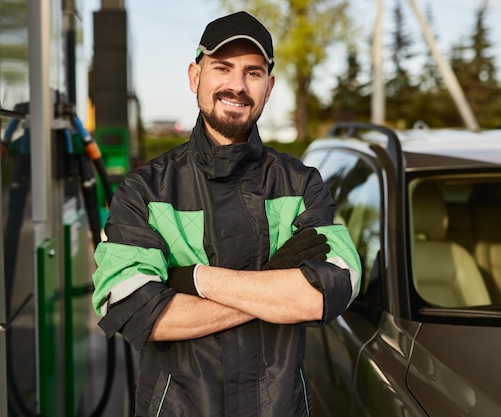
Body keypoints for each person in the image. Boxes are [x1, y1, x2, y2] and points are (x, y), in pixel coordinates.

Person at [92, 10, 361, 417]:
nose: (237, 85)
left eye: (253, 73)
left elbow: (335, 285)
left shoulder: (302, 184)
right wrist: (274, 285)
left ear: (269, 88)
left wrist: (194, 279)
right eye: (222, 68)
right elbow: (137, 310)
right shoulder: (145, 190)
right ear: (194, 76)